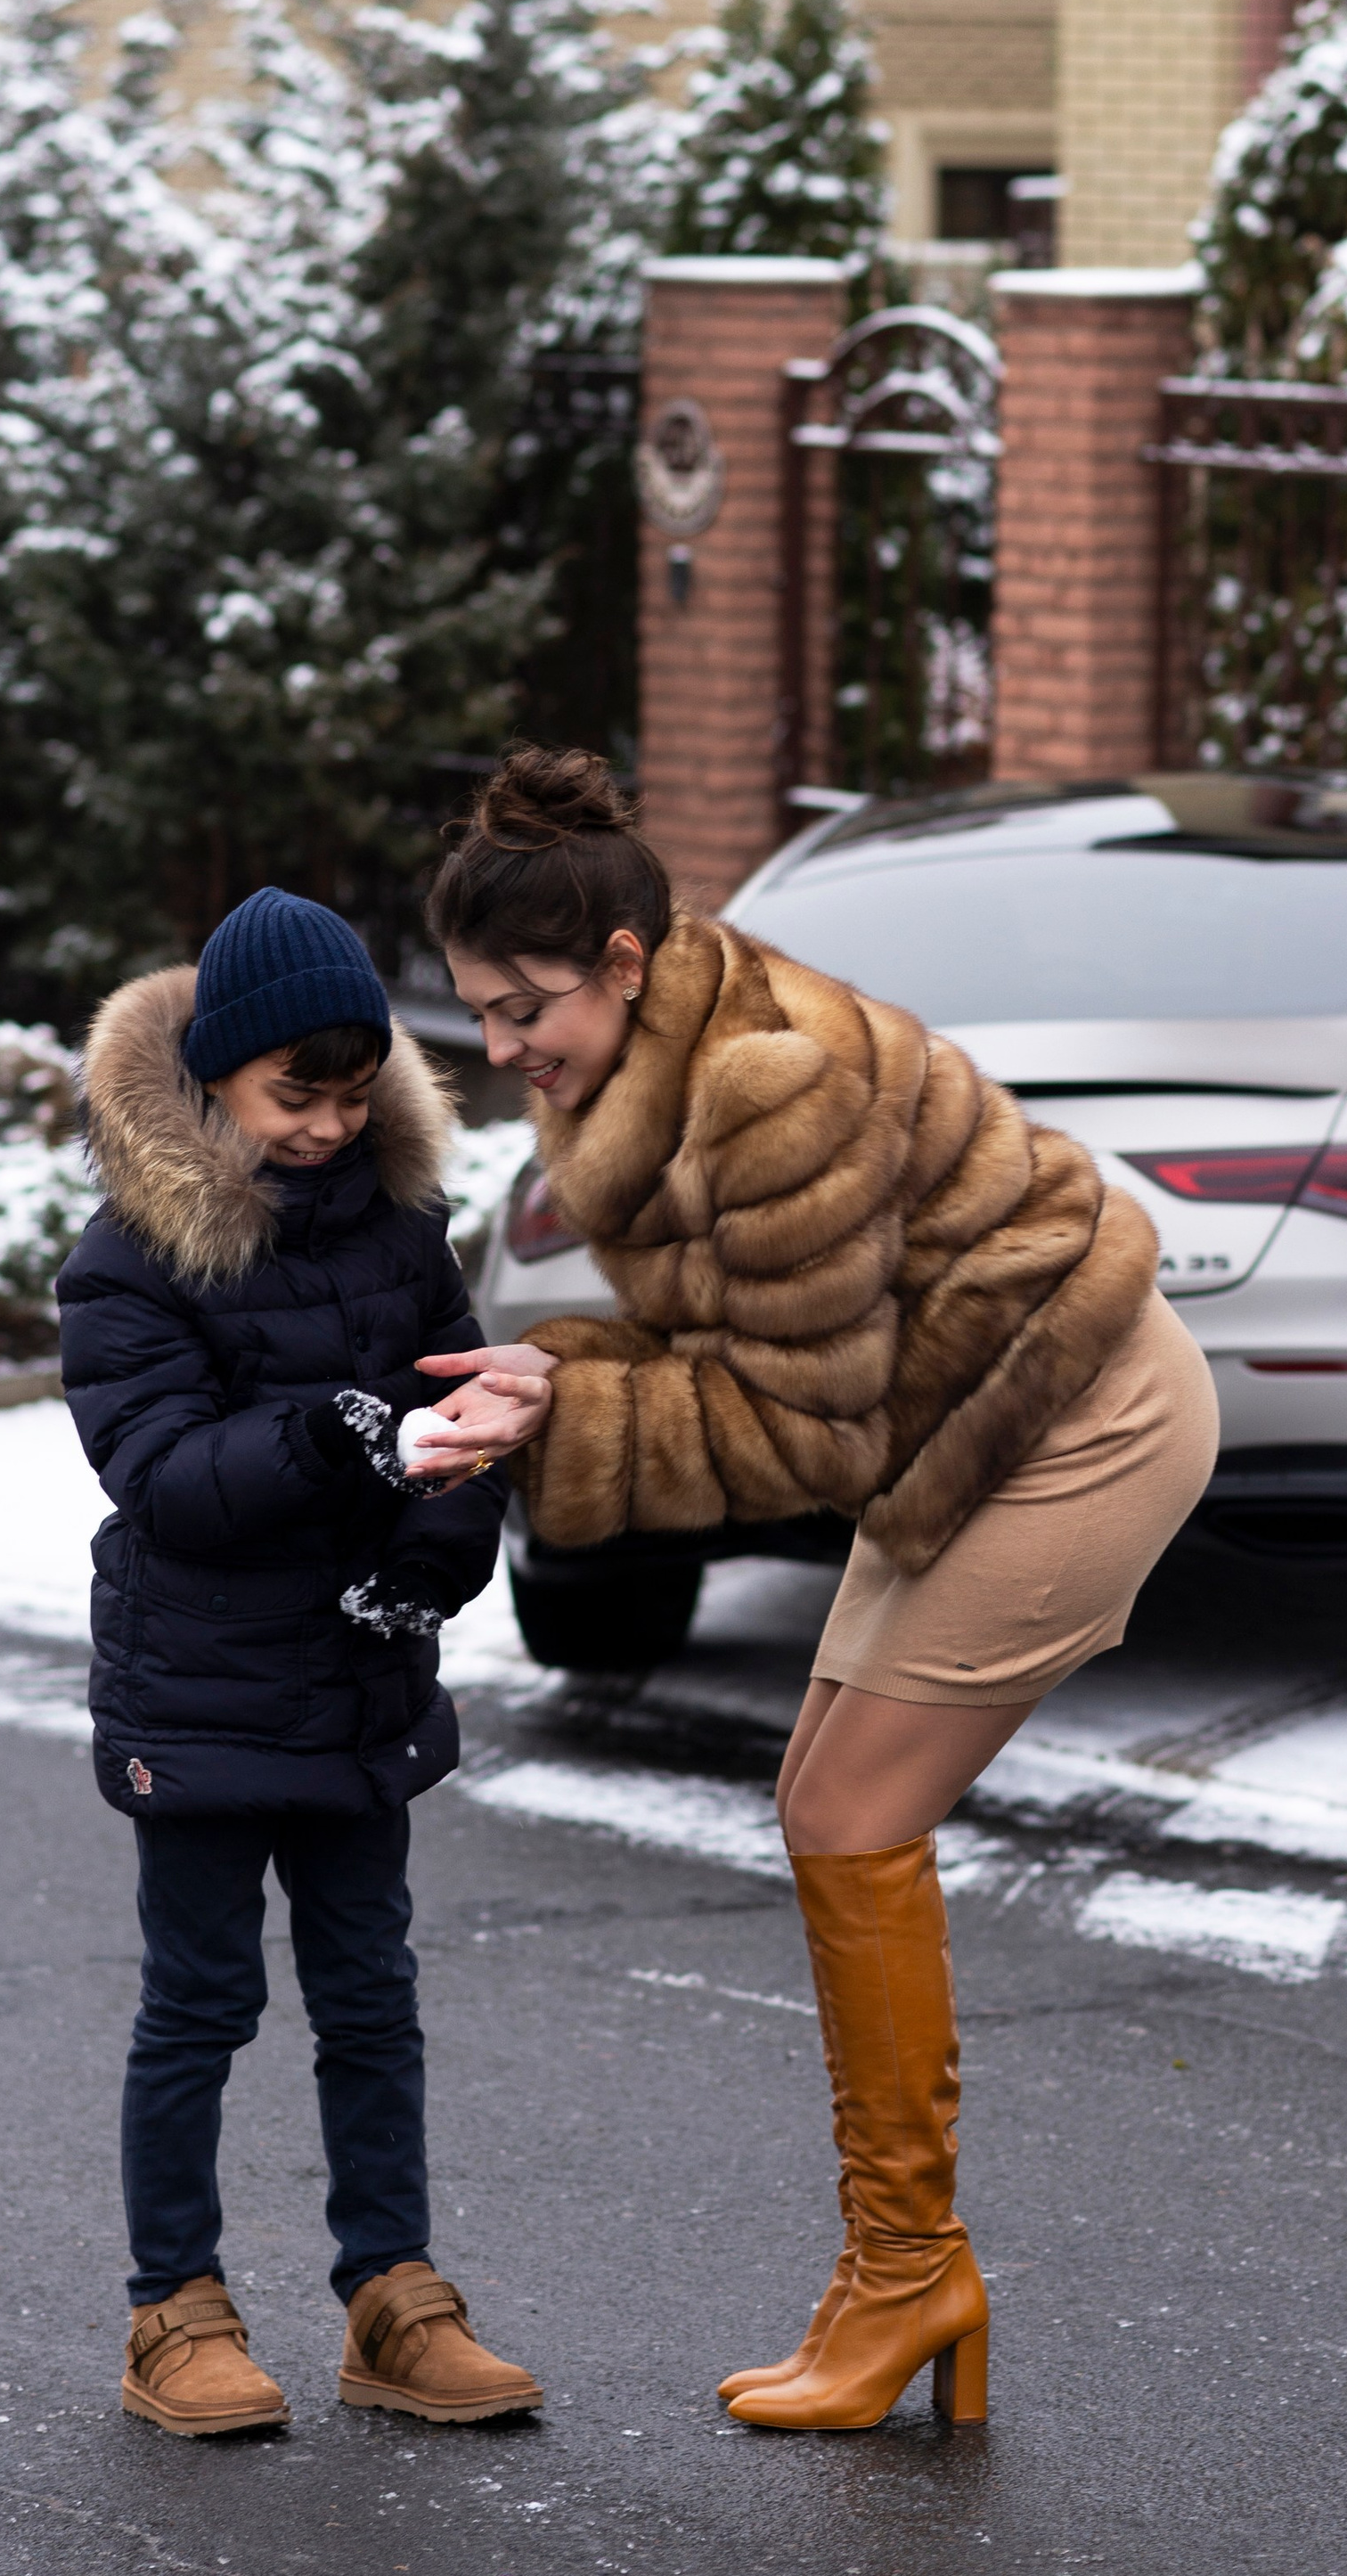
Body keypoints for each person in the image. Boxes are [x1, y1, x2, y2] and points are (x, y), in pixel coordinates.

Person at [426, 753, 1219, 2435]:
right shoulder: (644, 1061)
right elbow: (745, 1340)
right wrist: (559, 1367)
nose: (499, 1050)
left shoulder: (762, 1084)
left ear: (623, 962)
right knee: (823, 1809)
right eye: (481, 1012)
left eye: (521, 1009)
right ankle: (899, 2275)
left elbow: (802, 1424)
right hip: (950, 1420)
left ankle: (911, 2274)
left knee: (857, 1811)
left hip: (1078, 1416)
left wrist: (567, 1417)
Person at [58, 886, 551, 2439]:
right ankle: (175, 2311)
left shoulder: (402, 1233)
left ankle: (392, 2299)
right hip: (203, 1689)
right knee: (200, 2005)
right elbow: (164, 1476)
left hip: (356, 1684)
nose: (330, 1127)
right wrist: (342, 1436)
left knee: (371, 2001)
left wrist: (432, 1560)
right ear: (215, 1075)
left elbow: (458, 1421)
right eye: (296, 1097)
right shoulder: (133, 1259)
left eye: (353, 1095)